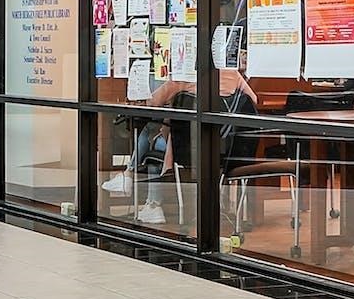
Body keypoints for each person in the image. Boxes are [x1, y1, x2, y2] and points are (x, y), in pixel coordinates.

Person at [103, 66, 259, 224]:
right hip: (225, 149)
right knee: (156, 136)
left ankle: (149, 199)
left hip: (186, 151)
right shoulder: (232, 73)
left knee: (153, 139)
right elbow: (253, 99)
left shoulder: (184, 75)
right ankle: (137, 186)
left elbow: (153, 102)